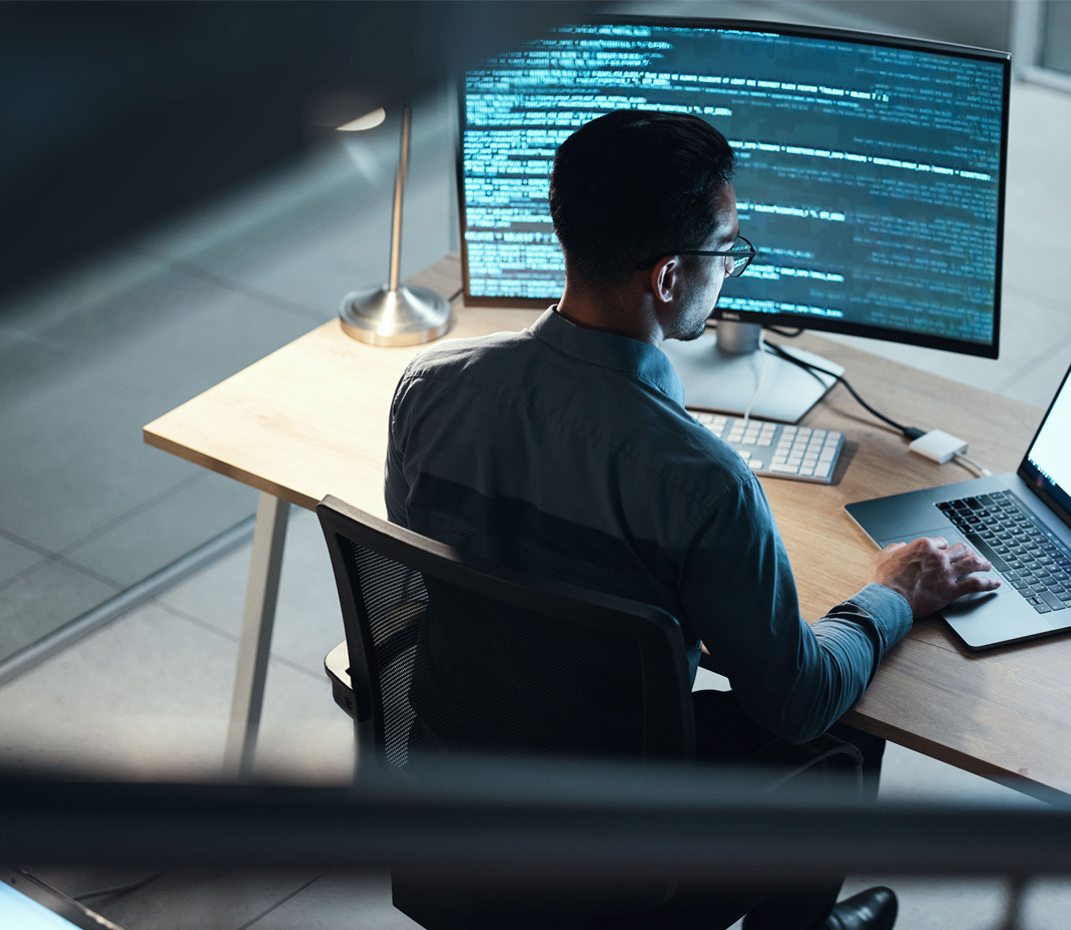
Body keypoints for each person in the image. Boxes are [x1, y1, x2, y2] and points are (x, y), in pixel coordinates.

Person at [385, 110, 998, 930]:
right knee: (840, 737)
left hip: (452, 797)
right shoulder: (703, 482)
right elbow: (797, 701)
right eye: (727, 250)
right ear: (670, 278)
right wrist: (892, 591)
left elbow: (436, 569)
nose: (731, 272)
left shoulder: (428, 387)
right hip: (616, 849)